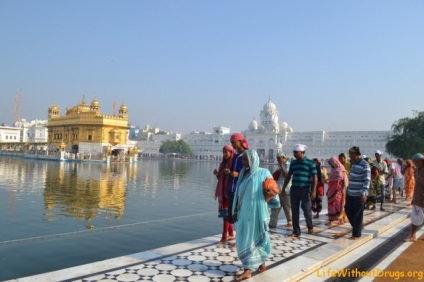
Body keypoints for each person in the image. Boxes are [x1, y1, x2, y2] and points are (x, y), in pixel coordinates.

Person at [232, 149, 276, 280]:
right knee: (245, 239)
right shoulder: (242, 174)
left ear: (253, 159)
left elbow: (273, 191)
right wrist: (234, 210)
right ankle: (261, 264)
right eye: (242, 159)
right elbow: (238, 194)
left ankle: (247, 270)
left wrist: (264, 201)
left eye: (245, 159)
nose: (243, 162)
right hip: (244, 213)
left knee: (253, 238)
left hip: (256, 213)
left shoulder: (263, 173)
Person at [283, 144, 317, 237]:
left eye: (296, 152)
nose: (294, 154)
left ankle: (310, 226)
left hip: (305, 190)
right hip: (294, 189)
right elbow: (289, 176)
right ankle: (296, 231)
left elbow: (315, 177)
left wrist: (314, 191)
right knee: (294, 211)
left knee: (306, 209)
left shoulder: (310, 163)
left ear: (302, 152)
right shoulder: (293, 163)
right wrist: (283, 188)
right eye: (294, 152)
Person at [345, 146, 370, 240]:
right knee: (348, 210)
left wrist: (364, 193)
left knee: (357, 215)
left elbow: (367, 179)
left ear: (355, 154)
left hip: (359, 194)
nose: (349, 156)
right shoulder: (354, 164)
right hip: (350, 193)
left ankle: (356, 234)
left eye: (350, 154)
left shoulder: (365, 164)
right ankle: (357, 227)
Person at [225, 133, 249, 224]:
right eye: (231, 143)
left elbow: (251, 171)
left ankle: (241, 235)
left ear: (240, 141)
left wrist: (238, 174)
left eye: (234, 142)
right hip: (232, 188)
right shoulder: (235, 156)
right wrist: (228, 172)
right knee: (232, 215)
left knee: (241, 214)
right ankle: (237, 235)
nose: (232, 145)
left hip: (241, 190)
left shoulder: (247, 155)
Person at [213, 145, 235, 243]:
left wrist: (230, 173)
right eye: (223, 152)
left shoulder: (233, 163)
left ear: (231, 152)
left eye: (226, 152)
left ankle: (224, 237)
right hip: (223, 193)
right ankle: (231, 234)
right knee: (225, 215)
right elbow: (221, 179)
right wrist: (218, 174)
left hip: (229, 192)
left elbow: (235, 178)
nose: (225, 154)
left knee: (226, 216)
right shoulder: (223, 164)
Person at [269, 152, 292, 228]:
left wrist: (282, 166)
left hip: (286, 191)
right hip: (277, 190)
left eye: (279, 158)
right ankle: (272, 223)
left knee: (287, 207)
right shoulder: (279, 166)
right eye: (277, 158)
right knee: (275, 207)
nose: (278, 160)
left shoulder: (289, 165)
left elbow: (286, 175)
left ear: (284, 158)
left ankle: (290, 222)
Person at [404, 153, 424, 242]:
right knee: (414, 217)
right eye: (415, 163)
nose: (416, 164)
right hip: (417, 197)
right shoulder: (416, 170)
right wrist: (413, 198)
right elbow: (417, 185)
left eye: (418, 162)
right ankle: (413, 235)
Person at [327, 156, 348, 224]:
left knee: (338, 204)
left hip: (339, 190)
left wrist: (344, 188)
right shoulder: (333, 170)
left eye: (331, 163)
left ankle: (340, 218)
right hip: (331, 190)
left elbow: (345, 180)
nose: (331, 164)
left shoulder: (342, 169)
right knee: (331, 204)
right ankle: (331, 219)